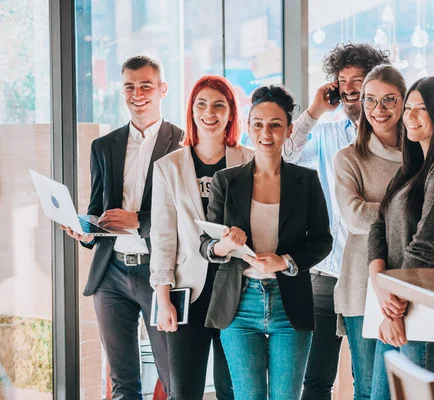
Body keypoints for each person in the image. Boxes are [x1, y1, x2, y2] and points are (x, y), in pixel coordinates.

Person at [199, 85, 333, 400]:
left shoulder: (306, 181)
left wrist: (285, 261)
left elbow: (322, 241)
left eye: (275, 124)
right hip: (239, 304)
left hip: (291, 304)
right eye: (258, 124)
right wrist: (225, 245)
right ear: (248, 127)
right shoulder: (227, 181)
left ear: (288, 130)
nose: (266, 132)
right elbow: (206, 243)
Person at [62, 55, 181, 399]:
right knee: (123, 382)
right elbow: (99, 209)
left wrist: (139, 221)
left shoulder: (183, 142)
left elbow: (188, 216)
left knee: (175, 378)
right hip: (110, 274)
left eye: (146, 85)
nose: (137, 93)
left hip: (160, 275)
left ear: (163, 90)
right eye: (129, 86)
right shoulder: (104, 146)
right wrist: (87, 230)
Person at [283, 43, 391, 400]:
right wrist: (314, 110)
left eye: (357, 80)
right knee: (315, 381)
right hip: (325, 274)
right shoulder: (327, 133)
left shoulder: (392, 138)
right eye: (342, 80)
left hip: (371, 273)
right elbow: (284, 153)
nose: (348, 88)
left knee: (368, 381)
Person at [149, 75, 254, 399]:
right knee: (185, 390)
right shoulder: (169, 167)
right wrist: (163, 298)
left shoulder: (249, 160)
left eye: (219, 105)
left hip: (238, 292)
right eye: (202, 104)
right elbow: (164, 235)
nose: (210, 112)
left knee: (233, 389)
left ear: (231, 113)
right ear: (192, 111)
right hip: (187, 292)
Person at [367, 76, 434, 399]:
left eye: (420, 109)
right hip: (394, 302)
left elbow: (426, 243)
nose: (409, 116)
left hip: (425, 309)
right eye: (408, 107)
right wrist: (379, 284)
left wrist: (393, 305)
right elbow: (377, 227)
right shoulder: (411, 168)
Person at [333, 65, 406, 399]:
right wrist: (411, 210)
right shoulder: (348, 158)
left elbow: (369, 214)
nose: (379, 109)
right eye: (371, 100)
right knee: (367, 388)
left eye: (389, 99)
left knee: (400, 388)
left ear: (405, 102)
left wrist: (376, 206)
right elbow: (354, 218)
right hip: (361, 285)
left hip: (410, 282)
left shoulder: (420, 156)